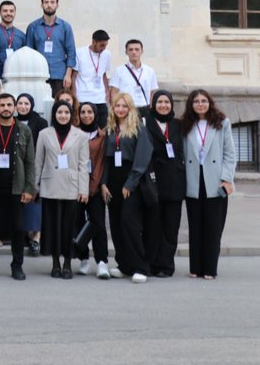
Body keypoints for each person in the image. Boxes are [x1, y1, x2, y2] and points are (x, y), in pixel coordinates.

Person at [181, 89, 236, 280]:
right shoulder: (186, 125)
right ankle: (195, 267)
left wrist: (226, 178)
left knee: (213, 228)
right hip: (193, 180)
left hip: (215, 181)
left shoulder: (222, 123)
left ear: (210, 103)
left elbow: (229, 154)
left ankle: (210, 268)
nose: (200, 104)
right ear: (191, 104)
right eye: (196, 101)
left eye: (204, 100)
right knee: (195, 226)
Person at [101, 92, 154, 283]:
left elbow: (142, 158)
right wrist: (104, 183)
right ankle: (123, 264)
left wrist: (130, 183)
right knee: (115, 224)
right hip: (113, 179)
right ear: (113, 108)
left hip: (131, 179)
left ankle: (140, 266)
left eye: (124, 106)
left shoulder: (138, 128)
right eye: (117, 106)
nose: (121, 109)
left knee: (129, 222)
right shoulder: (111, 129)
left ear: (130, 108)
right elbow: (106, 159)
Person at [34, 100, 89, 278]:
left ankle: (67, 263)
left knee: (68, 227)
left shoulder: (80, 136)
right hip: (50, 186)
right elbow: (38, 162)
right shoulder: (44, 134)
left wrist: (84, 190)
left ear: (71, 115)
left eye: (66, 113)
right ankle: (55, 263)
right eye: (59, 113)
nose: (63, 116)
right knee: (52, 227)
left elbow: (83, 164)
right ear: (54, 114)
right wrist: (34, 187)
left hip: (72, 187)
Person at [0, 93, 34, 280]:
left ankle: (17, 265)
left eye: (9, 104)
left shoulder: (23, 130)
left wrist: (29, 188)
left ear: (14, 107)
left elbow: (29, 162)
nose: (5, 108)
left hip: (17, 188)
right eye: (2, 105)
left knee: (18, 228)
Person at [143, 90, 184, 278]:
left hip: (174, 182)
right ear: (153, 104)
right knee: (153, 226)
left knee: (170, 227)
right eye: (159, 102)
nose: (163, 105)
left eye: (167, 102)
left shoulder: (178, 125)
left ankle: (166, 265)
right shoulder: (146, 124)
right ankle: (152, 263)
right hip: (153, 182)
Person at [74, 102, 112, 279]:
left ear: (95, 114)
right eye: (83, 112)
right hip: (76, 187)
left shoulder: (103, 136)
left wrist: (96, 184)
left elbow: (103, 163)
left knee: (98, 224)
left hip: (96, 186)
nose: (86, 115)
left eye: (90, 112)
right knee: (79, 222)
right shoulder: (74, 134)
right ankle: (83, 259)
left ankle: (102, 262)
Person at [24, 0, 77, 97]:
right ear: (41, 5)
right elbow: (28, 53)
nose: (49, 5)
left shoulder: (65, 27)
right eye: (46, 2)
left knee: (58, 107)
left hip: (59, 75)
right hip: (39, 75)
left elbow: (71, 53)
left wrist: (68, 75)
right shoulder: (33, 27)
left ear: (57, 5)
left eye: (52, 2)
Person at [16, 93, 48, 256]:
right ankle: (22, 235)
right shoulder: (12, 121)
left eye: (26, 103)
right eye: (20, 103)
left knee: (34, 201)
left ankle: (35, 237)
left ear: (32, 105)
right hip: (15, 168)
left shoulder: (40, 122)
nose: (23, 106)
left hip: (34, 166)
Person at [75, 29, 112, 126]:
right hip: (83, 97)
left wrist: (107, 93)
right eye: (101, 45)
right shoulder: (79, 53)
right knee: (84, 129)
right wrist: (75, 98)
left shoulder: (107, 54)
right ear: (93, 42)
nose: (103, 48)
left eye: (105, 45)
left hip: (100, 99)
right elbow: (74, 76)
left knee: (103, 128)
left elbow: (104, 74)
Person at [110, 38, 159, 110]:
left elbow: (153, 93)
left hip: (145, 108)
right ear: (126, 52)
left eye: (137, 49)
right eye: (130, 49)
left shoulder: (149, 71)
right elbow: (114, 92)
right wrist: (116, 109)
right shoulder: (119, 71)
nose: (134, 52)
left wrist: (152, 110)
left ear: (142, 51)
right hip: (126, 109)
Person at [0, 0, 27, 80]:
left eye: (11, 11)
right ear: (0, 13)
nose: (8, 13)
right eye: (5, 11)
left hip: (16, 74)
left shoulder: (21, 35)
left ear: (15, 13)